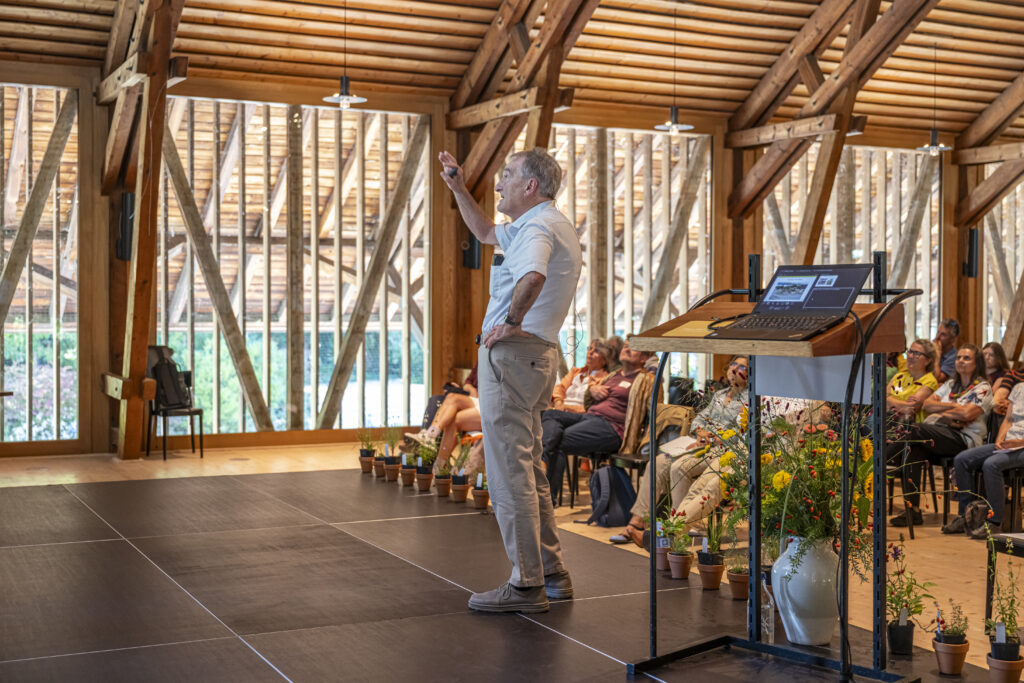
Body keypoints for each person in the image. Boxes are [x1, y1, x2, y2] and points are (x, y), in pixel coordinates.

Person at [438, 147, 581, 614]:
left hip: (516, 356)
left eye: (506, 177)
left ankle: (525, 584)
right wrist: (459, 188)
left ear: (531, 187)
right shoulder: (537, 224)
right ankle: (552, 573)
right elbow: (482, 231)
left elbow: (533, 276)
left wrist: (512, 321)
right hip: (534, 357)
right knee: (529, 467)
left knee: (507, 474)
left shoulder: (538, 227)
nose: (498, 185)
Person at [612, 355, 749, 545]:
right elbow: (700, 419)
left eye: (742, 367)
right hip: (699, 444)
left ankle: (679, 526)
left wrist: (715, 438)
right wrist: (700, 432)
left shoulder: (749, 398)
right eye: (734, 364)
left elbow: (744, 432)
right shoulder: (719, 395)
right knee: (657, 463)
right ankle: (638, 521)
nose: (735, 369)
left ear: (749, 374)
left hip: (722, 450)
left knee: (679, 467)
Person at [887, 344, 992, 527]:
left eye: (966, 358)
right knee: (914, 449)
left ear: (977, 363)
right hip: (942, 433)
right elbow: (927, 405)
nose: (960, 361)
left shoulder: (982, 388)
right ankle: (913, 510)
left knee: (915, 429)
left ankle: (878, 463)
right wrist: (954, 410)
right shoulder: (951, 385)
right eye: (958, 357)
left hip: (964, 439)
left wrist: (943, 411)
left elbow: (968, 415)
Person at [541, 340, 654, 505]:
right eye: (626, 345)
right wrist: (591, 391)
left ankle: (545, 500)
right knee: (550, 414)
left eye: (634, 347)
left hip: (613, 427)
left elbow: (654, 413)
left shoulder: (647, 380)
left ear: (644, 358)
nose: (627, 348)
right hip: (590, 417)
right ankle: (544, 481)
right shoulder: (614, 375)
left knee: (556, 442)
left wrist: (645, 442)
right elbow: (588, 404)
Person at [947, 378, 1024, 537]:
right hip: (1009, 443)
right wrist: (1000, 439)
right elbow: (1008, 420)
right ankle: (966, 515)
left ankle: (994, 522)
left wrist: (1019, 442)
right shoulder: (1019, 388)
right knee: (962, 459)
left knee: (991, 465)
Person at [550, 339, 613, 413]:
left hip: (578, 415)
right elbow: (560, 388)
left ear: (604, 360)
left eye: (597, 351)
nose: (590, 352)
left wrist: (567, 407)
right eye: (590, 348)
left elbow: (592, 407)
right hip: (559, 411)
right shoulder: (575, 372)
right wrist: (558, 402)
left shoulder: (605, 379)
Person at [886, 339, 939, 423]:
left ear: (928, 361)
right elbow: (881, 400)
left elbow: (910, 409)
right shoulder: (898, 376)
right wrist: (903, 403)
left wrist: (890, 400)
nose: (910, 356)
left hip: (910, 427)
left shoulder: (929, 381)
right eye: (910, 351)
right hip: (887, 420)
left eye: (917, 353)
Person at [933, 318, 960, 383]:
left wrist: (937, 354)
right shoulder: (931, 351)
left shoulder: (954, 357)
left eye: (943, 334)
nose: (937, 337)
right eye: (938, 332)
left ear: (953, 339)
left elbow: (938, 379)